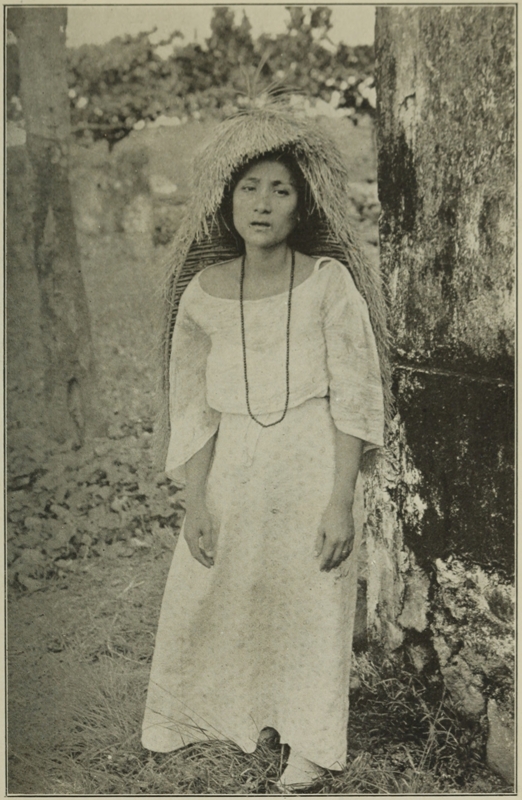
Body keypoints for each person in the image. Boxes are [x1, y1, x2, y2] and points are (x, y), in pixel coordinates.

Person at [142, 104, 390, 789]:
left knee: (312, 593)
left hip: (313, 458)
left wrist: (342, 497)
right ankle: (221, 711)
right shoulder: (202, 295)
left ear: (301, 205)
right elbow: (193, 408)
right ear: (226, 202)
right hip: (234, 463)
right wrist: (196, 498)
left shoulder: (328, 284)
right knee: (219, 584)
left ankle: (310, 741)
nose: (263, 203)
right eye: (249, 187)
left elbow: (356, 396)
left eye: (280, 190)